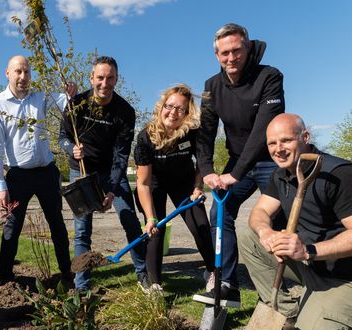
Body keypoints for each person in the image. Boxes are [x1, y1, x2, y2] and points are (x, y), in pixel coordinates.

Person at [239, 113, 352, 330]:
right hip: (314, 269)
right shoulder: (282, 175)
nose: (278, 149)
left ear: (306, 138)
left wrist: (309, 251)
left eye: (286, 140)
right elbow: (259, 213)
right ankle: (288, 314)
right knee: (250, 237)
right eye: (272, 143)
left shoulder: (342, 174)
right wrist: (267, 234)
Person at [193, 23, 285, 307]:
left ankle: (275, 288)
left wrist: (236, 173)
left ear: (247, 48)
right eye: (224, 53)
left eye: (236, 51)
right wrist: (207, 170)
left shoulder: (269, 76)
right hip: (237, 162)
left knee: (276, 221)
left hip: (271, 160)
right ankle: (225, 282)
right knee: (220, 212)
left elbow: (262, 130)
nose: (231, 58)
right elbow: (206, 132)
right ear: (216, 55)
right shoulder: (211, 87)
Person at [59, 55, 148, 291]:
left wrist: (111, 188)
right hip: (81, 171)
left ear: (117, 79)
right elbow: (63, 138)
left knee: (130, 220)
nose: (104, 83)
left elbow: (121, 155)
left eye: (110, 78)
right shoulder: (76, 103)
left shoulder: (124, 112)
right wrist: (72, 149)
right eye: (100, 77)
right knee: (82, 230)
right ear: (91, 78)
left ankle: (145, 277)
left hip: (110, 171)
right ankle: (82, 286)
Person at [0, 55, 76, 285]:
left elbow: (67, 100)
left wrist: (71, 91)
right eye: (18, 71)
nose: (23, 77)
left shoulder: (40, 98)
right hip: (19, 176)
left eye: (26, 72)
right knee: (12, 226)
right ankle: (5, 276)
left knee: (56, 223)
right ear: (7, 73)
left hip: (47, 172)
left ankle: (67, 273)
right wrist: (0, 186)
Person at [134, 84, 215, 294]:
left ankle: (212, 273)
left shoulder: (193, 134)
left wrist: (198, 187)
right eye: (169, 106)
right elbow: (143, 183)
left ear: (187, 113)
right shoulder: (145, 137)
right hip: (155, 184)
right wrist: (150, 218)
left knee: (201, 226)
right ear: (161, 107)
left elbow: (203, 163)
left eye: (180, 109)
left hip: (184, 183)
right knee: (155, 232)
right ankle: (154, 285)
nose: (173, 112)